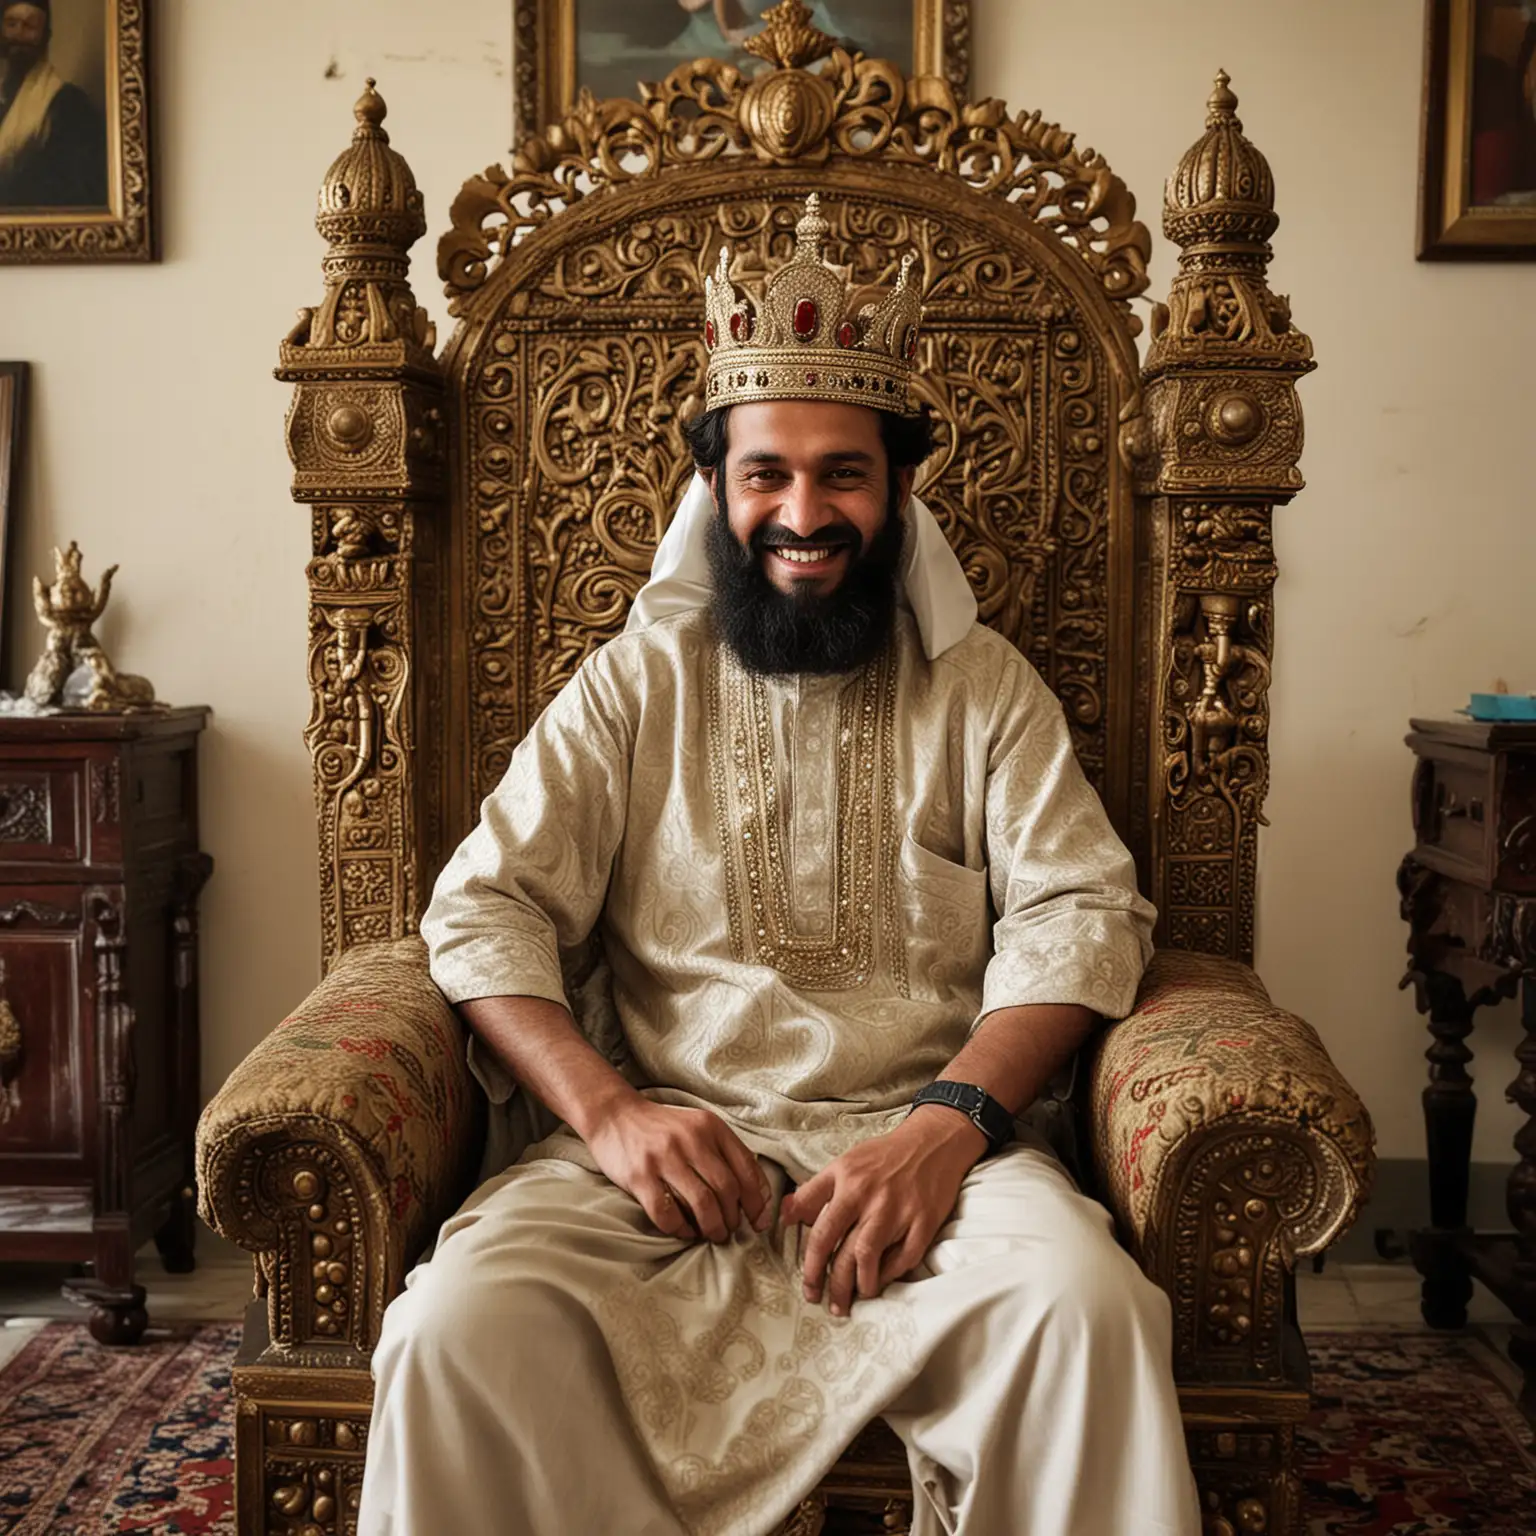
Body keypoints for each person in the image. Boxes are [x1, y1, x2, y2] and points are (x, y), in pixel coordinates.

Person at [358, 194, 1201, 1536]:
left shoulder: (984, 689)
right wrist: (613, 1115)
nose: (803, 512)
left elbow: (1081, 917)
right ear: (713, 489)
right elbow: (482, 914)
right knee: (458, 1325)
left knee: (1086, 1309)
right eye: (767, 474)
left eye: (842, 474)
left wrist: (946, 1128)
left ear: (899, 489)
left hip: (941, 1167)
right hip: (660, 1176)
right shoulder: (635, 684)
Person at [0, 0, 106, 210]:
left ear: (45, 36)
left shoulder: (69, 105)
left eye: (30, 26)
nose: (19, 33)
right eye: (11, 24)